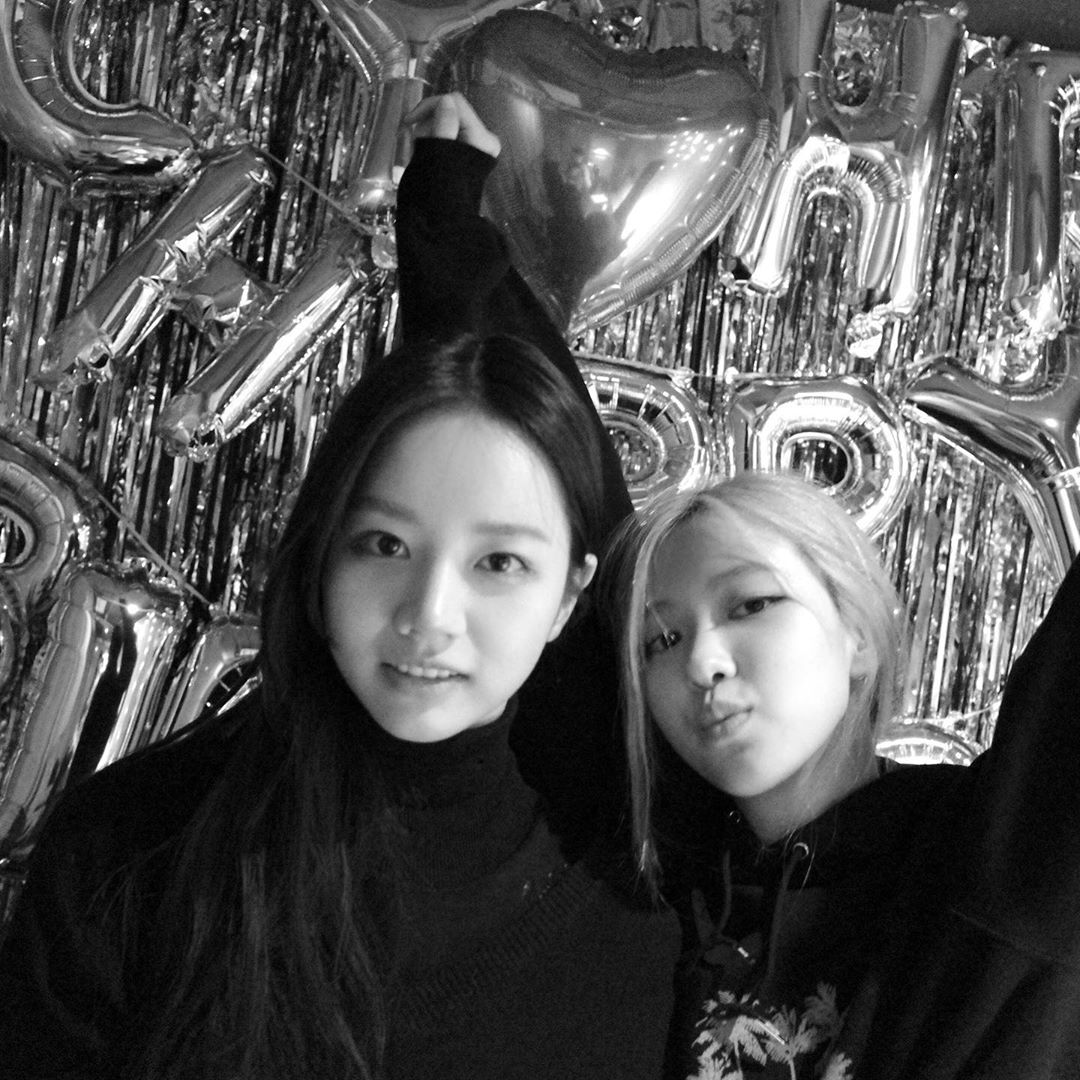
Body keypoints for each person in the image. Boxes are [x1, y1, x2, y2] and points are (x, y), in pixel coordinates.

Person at [0, 101, 679, 1080]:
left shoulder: (629, 924)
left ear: (570, 596)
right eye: (384, 545)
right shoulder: (131, 857)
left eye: (500, 564)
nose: (429, 616)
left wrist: (447, 215)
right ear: (321, 560)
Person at [608, 471, 1080, 1079]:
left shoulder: (993, 851)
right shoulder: (642, 914)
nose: (701, 662)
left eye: (750, 604)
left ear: (857, 632)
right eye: (662, 639)